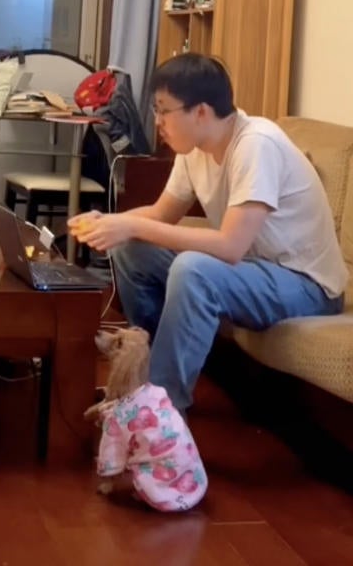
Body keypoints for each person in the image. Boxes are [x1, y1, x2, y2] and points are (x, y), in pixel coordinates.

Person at [72, 53, 345, 411]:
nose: (157, 123)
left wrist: (132, 224)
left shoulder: (256, 144)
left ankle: (162, 410)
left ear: (200, 111)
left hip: (306, 285)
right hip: (253, 270)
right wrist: (110, 223)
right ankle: (142, 378)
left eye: (163, 110)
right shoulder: (194, 149)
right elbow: (161, 214)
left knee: (192, 268)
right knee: (131, 250)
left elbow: (231, 246)